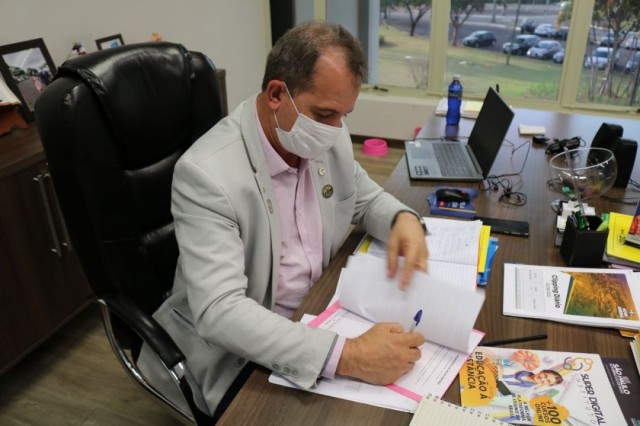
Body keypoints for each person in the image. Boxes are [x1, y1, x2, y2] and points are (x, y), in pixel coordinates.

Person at [141, 21, 429, 420]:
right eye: (324, 114)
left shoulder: (325, 135)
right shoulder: (206, 175)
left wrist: (402, 220)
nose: (335, 131)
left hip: (320, 311)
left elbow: (364, 198)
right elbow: (220, 311)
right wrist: (350, 356)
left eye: (343, 115)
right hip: (243, 353)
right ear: (277, 94)